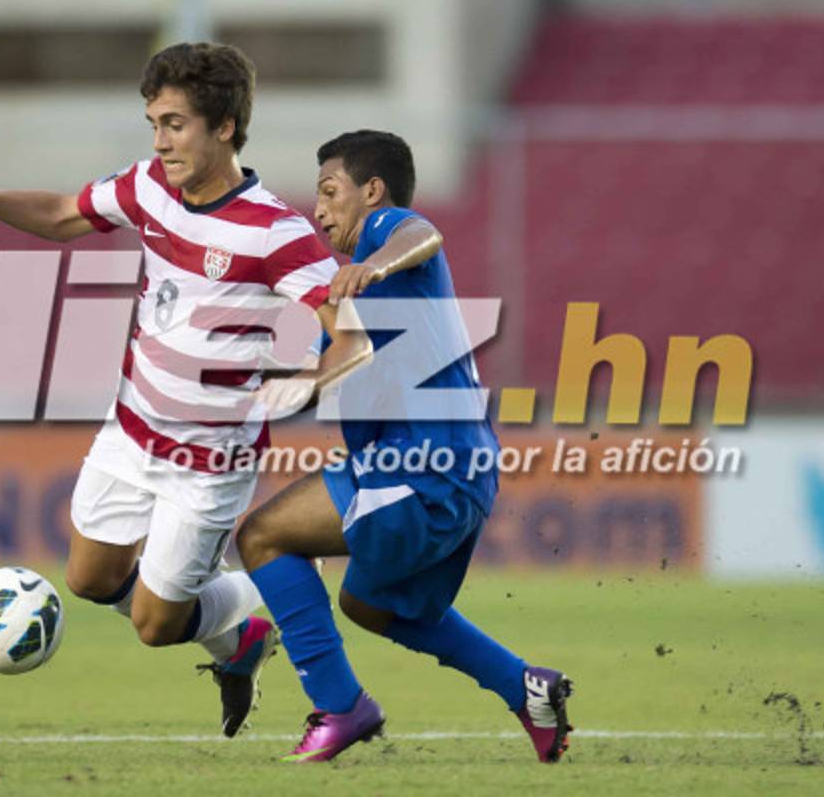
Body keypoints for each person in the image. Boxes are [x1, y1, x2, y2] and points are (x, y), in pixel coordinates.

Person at [0, 43, 369, 737]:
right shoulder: (147, 185)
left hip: (209, 463)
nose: (159, 142)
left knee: (154, 625)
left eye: (175, 124)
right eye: (154, 124)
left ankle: (276, 583)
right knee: (88, 578)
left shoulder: (275, 231)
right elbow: (61, 215)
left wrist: (305, 383)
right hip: (131, 430)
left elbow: (354, 338)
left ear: (225, 127)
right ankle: (239, 644)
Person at [237, 130, 574, 763]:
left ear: (372, 191)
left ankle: (340, 707)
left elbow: (423, 234)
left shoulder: (383, 235)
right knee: (367, 604)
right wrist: (263, 393)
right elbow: (328, 375)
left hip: (424, 466)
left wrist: (378, 262)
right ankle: (525, 687)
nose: (320, 210)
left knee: (262, 538)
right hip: (454, 467)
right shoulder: (348, 300)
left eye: (330, 192)